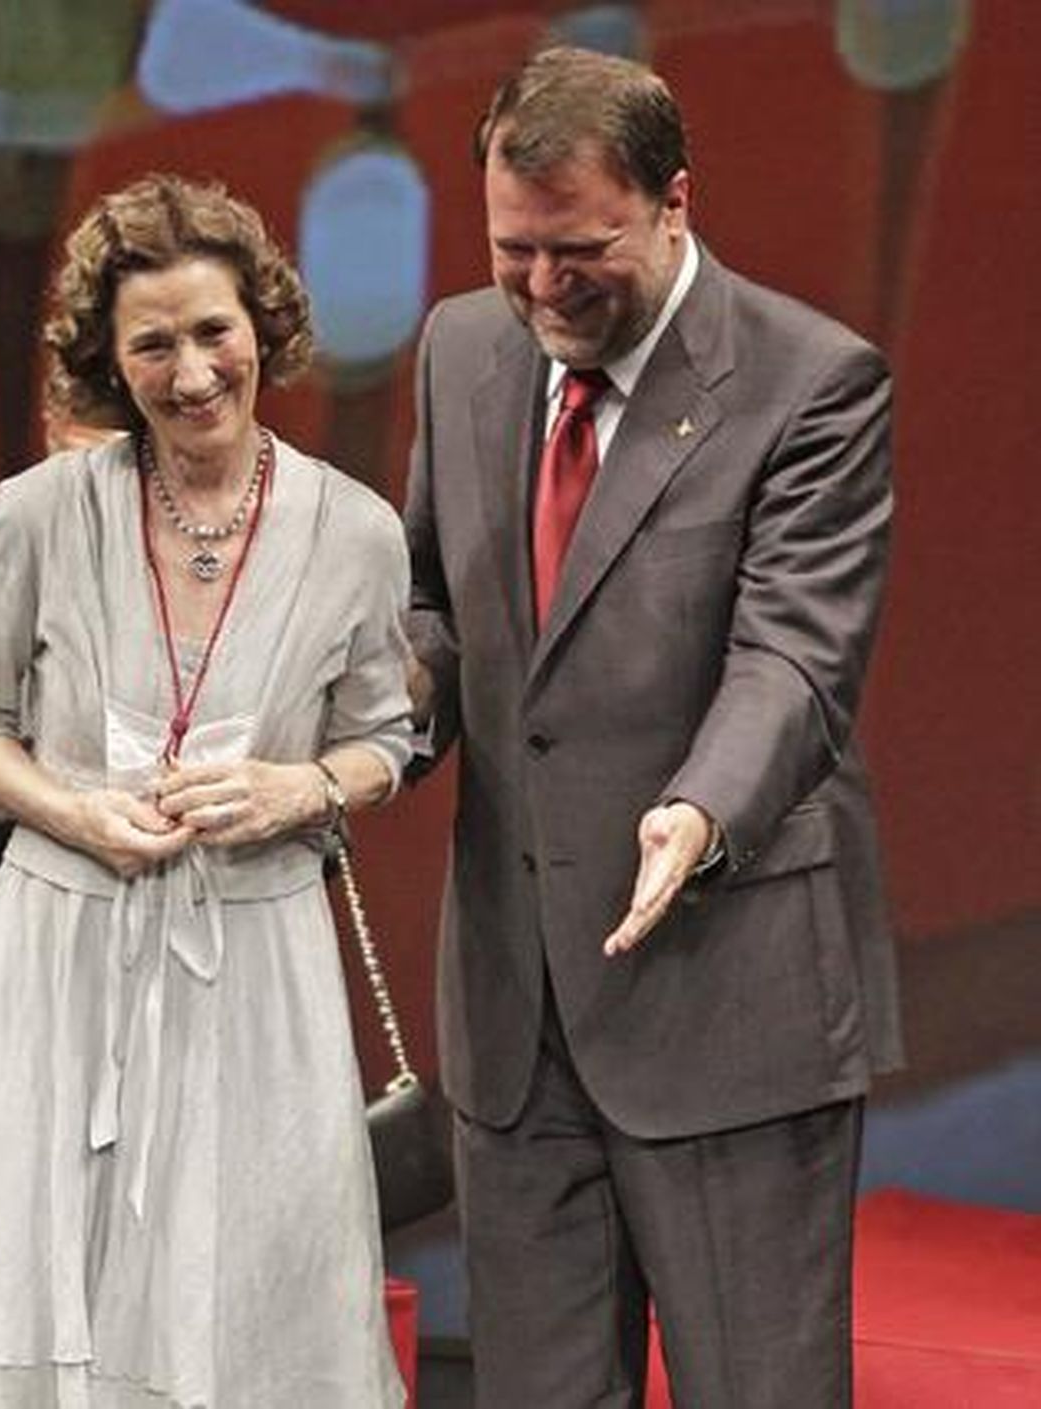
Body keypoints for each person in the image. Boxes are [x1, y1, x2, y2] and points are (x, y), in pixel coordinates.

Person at [403, 46, 901, 1408]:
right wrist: (357, 721)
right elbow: (435, 611)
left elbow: (795, 658)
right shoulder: (461, 349)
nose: (544, 288)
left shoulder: (811, 382)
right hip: (516, 1006)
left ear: (674, 203)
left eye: (581, 250)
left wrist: (700, 810)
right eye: (517, 250)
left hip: (725, 991)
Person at [0, 173, 411, 1407]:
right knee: (36, 1286)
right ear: (107, 362)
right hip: (51, 953)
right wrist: (70, 808)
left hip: (257, 961)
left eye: (213, 331)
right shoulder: (37, 512)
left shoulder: (357, 531)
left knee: (250, 1301)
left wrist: (298, 788)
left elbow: (383, 740)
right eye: (153, 345)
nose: (191, 373)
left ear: (262, 326)